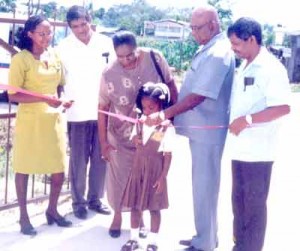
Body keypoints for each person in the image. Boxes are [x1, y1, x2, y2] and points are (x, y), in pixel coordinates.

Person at [144, 5, 235, 251]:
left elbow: (198, 96)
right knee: (202, 185)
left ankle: (205, 243)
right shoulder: (209, 48)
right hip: (201, 129)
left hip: (208, 131)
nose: (193, 32)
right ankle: (205, 236)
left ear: (213, 26)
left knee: (205, 186)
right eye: (192, 27)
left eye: (197, 27)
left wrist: (165, 113)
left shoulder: (218, 53)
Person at [98, 30, 178, 238]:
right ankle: (117, 215)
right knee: (120, 177)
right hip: (121, 135)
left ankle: (139, 218)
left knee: (145, 178)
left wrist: (172, 117)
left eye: (130, 55)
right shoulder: (109, 73)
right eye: (120, 57)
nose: (126, 61)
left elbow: (170, 85)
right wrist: (103, 142)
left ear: (137, 48)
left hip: (152, 135)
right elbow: (102, 107)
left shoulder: (155, 58)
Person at [227, 17, 291, 251]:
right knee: (238, 205)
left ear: (251, 39)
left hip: (259, 153)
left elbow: (283, 107)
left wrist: (248, 120)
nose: (233, 48)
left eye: (237, 44)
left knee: (253, 209)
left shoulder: (271, 68)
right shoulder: (244, 65)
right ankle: (240, 246)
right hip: (239, 150)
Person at [8, 15, 73, 236]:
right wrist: (44, 99)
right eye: (41, 33)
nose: (46, 37)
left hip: (53, 120)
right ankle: (24, 217)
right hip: (30, 122)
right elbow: (13, 95)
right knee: (24, 168)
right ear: (30, 35)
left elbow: (61, 85)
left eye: (49, 33)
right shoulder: (21, 59)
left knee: (58, 170)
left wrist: (61, 101)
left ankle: (52, 210)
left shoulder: (55, 55)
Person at [56, 5, 113, 219]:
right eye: (75, 26)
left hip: (103, 112)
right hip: (77, 113)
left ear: (90, 19)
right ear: (70, 27)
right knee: (78, 162)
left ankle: (96, 199)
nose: (81, 30)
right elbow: (58, 80)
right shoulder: (63, 47)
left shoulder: (106, 43)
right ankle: (78, 202)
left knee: (101, 158)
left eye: (83, 24)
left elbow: (114, 73)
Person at [120, 82, 175, 251]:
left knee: (154, 208)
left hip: (155, 173)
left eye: (151, 107)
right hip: (138, 172)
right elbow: (134, 138)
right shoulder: (139, 122)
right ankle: (134, 239)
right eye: (144, 107)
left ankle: (152, 242)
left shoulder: (165, 128)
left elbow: (167, 154)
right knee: (135, 207)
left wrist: (162, 177)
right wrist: (135, 139)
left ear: (161, 106)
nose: (147, 111)